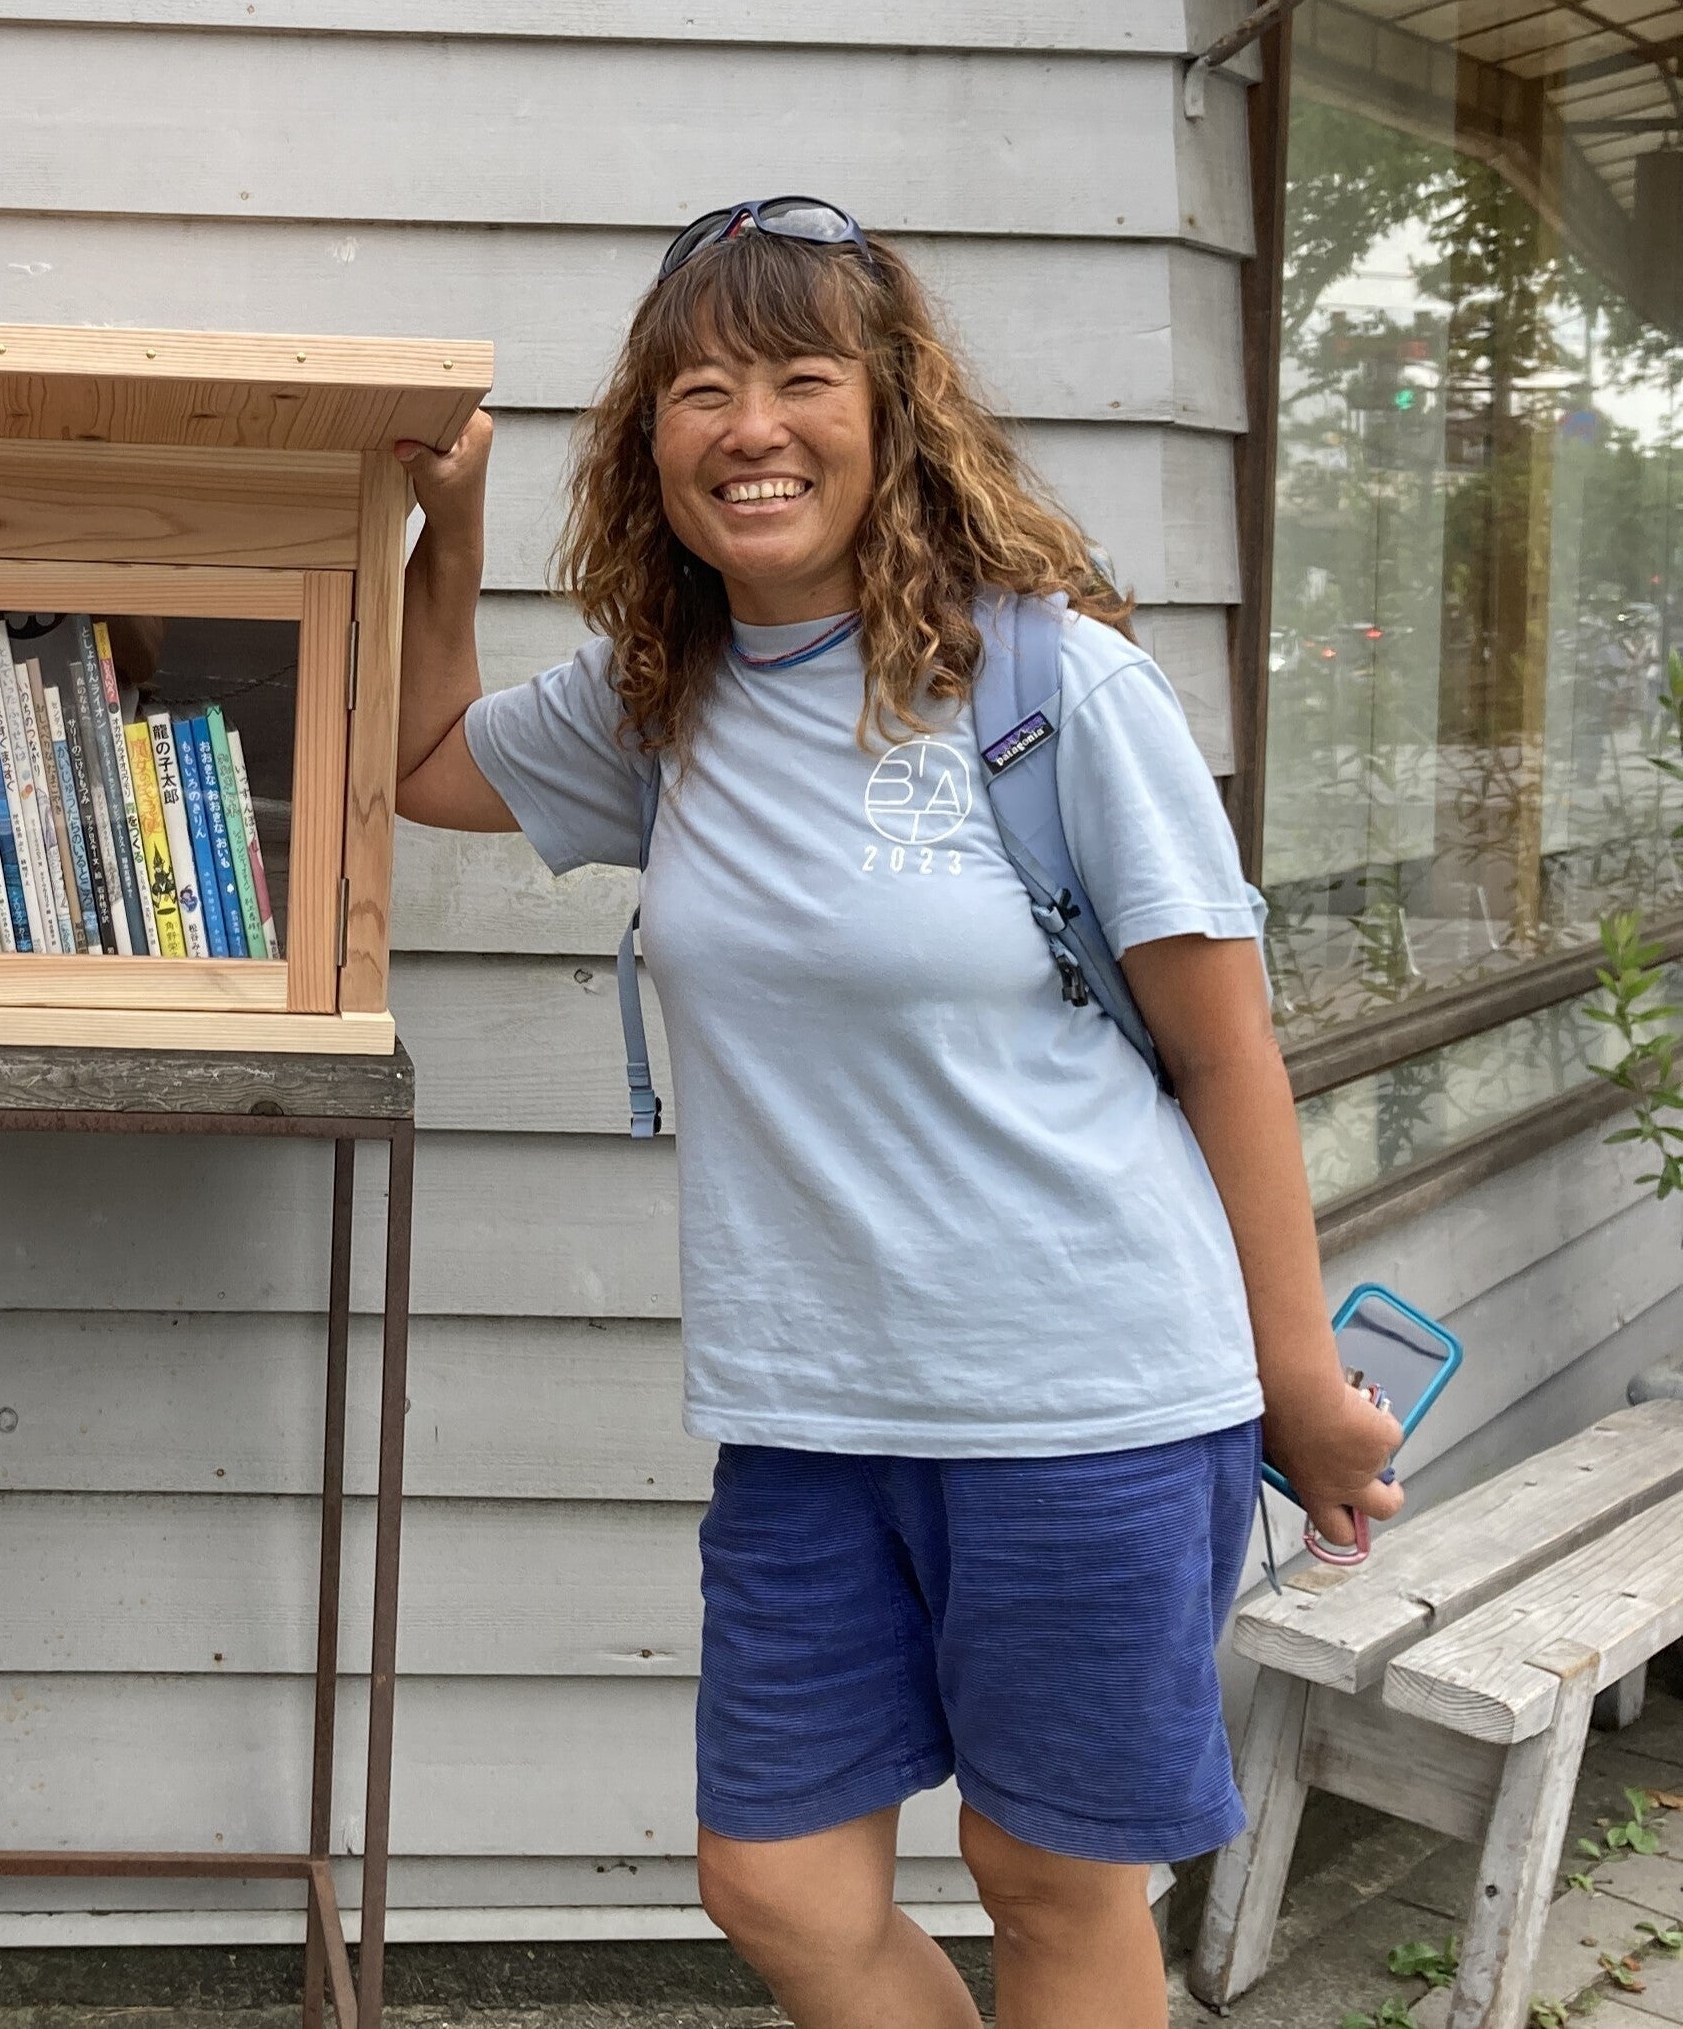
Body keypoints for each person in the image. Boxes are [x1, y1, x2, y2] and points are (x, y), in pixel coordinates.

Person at [390, 199, 1401, 2029]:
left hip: (1087, 1400)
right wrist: (444, 532)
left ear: (893, 415)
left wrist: (1303, 1385)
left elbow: (1228, 1054)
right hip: (811, 1415)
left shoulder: (1051, 686)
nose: (752, 428)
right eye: (701, 390)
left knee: (1049, 1882)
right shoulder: (658, 705)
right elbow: (424, 764)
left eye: (801, 378)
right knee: (774, 1881)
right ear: (649, 444)